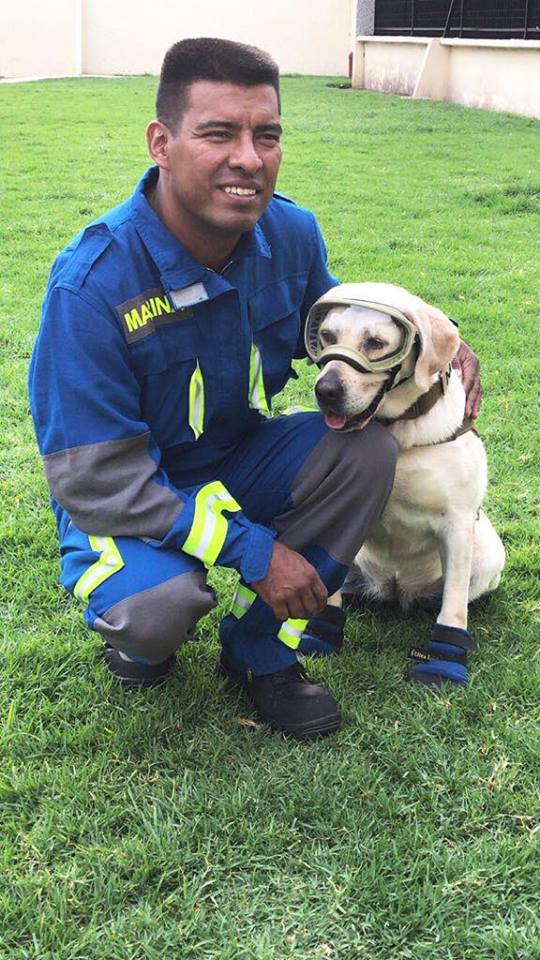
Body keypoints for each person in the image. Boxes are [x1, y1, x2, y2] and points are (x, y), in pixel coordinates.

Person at [29, 38, 480, 740]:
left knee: (364, 453)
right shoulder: (93, 283)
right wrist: (254, 550)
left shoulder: (291, 235)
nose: (249, 157)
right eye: (218, 133)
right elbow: (97, 479)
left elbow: (348, 333)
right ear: (162, 142)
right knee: (156, 610)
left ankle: (260, 650)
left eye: (266, 135)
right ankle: (139, 634)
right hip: (131, 492)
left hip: (237, 459)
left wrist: (444, 345)